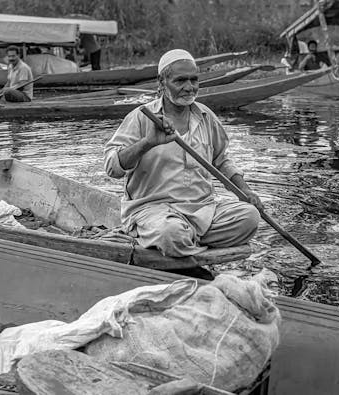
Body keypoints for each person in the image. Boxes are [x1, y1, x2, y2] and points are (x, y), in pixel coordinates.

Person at [104, 49, 263, 258]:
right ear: (162, 83)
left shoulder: (206, 116)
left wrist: (245, 191)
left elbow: (221, 160)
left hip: (203, 210)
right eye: (180, 81)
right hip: (154, 210)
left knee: (249, 217)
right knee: (171, 233)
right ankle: (180, 244)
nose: (189, 87)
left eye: (194, 80)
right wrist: (147, 143)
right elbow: (111, 167)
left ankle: (183, 245)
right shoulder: (142, 118)